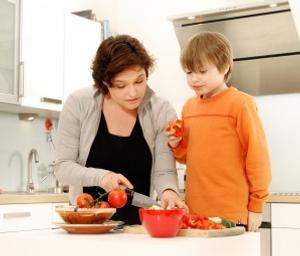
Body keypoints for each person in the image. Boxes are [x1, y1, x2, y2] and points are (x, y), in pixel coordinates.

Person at [54, 34, 187, 225]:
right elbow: (62, 167)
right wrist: (102, 177)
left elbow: (164, 171)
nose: (133, 93)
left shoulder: (161, 111)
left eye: (139, 81)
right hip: (87, 226)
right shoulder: (79, 103)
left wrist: (169, 193)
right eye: (121, 85)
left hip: (140, 229)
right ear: (105, 84)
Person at [166, 31, 271, 232]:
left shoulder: (241, 104)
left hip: (230, 213)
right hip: (195, 214)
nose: (194, 79)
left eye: (202, 71)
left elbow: (257, 157)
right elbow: (189, 157)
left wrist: (257, 204)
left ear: (224, 67)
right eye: (189, 72)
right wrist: (176, 144)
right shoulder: (189, 107)